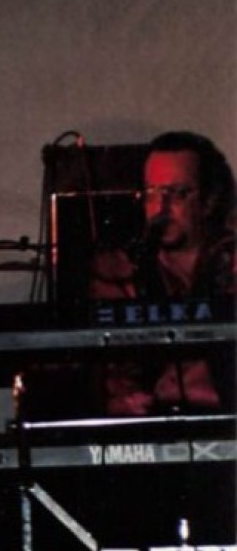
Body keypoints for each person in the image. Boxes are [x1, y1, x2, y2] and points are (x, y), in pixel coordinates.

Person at [91, 131, 235, 416]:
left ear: (209, 200)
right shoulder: (123, 269)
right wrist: (122, 400)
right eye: (152, 192)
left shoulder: (229, 261)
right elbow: (107, 368)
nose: (161, 207)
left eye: (178, 193)